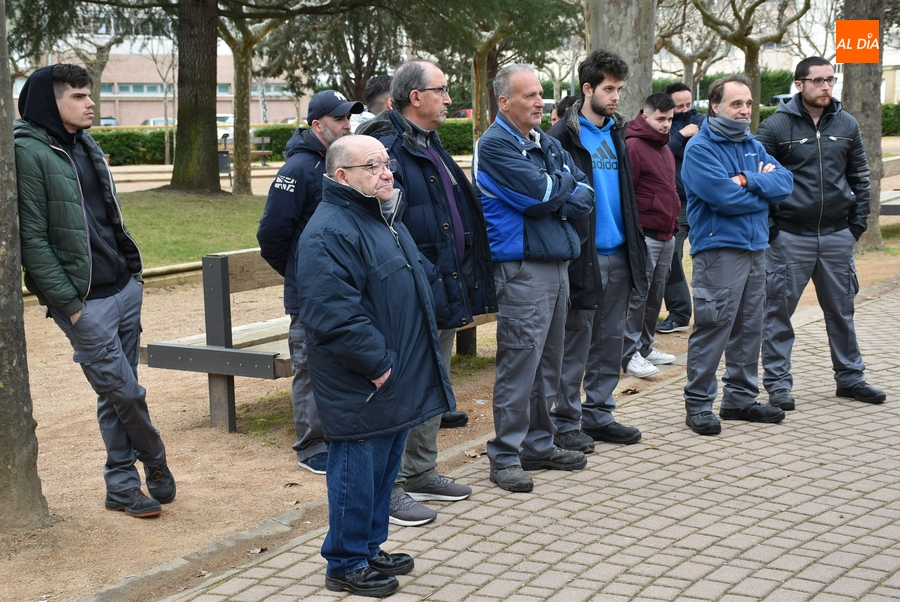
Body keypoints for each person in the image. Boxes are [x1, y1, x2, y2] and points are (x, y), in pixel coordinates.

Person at [296, 135, 455, 597]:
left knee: (385, 470)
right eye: (374, 166)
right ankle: (345, 563)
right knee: (356, 473)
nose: (388, 172)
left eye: (387, 164)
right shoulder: (330, 231)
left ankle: (366, 547)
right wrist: (379, 366)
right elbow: (333, 313)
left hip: (392, 371)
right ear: (342, 176)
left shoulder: (380, 217)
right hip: (365, 380)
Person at [15, 64, 175, 518]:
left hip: (123, 288)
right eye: (79, 96)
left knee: (115, 393)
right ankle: (155, 459)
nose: (91, 104)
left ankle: (121, 487)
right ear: (52, 101)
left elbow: (107, 217)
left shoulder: (85, 144)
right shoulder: (27, 152)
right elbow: (33, 239)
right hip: (84, 303)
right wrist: (68, 304)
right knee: (126, 393)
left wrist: (134, 279)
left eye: (90, 95)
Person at [358, 60, 496, 524]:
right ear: (414, 97)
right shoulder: (387, 148)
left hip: (441, 286)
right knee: (403, 390)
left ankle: (420, 471)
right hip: (409, 290)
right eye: (440, 89)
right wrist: (427, 270)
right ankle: (391, 487)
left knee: (434, 380)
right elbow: (382, 223)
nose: (448, 97)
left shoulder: (429, 143)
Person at [473, 64, 594, 493]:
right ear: (504, 102)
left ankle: (538, 445)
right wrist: (555, 193)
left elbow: (584, 193)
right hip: (522, 268)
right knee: (520, 364)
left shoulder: (542, 142)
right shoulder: (494, 146)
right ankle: (505, 455)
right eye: (529, 96)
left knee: (549, 363)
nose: (540, 102)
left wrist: (554, 193)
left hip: (557, 263)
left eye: (541, 94)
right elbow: (540, 195)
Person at [756, 57, 885, 409]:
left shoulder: (847, 123)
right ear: (800, 84)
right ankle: (778, 384)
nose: (826, 86)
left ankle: (851, 379)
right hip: (789, 238)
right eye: (818, 81)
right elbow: (759, 181)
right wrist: (773, 230)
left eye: (830, 79)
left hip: (837, 235)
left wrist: (856, 225)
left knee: (842, 310)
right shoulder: (775, 127)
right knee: (778, 313)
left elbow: (860, 176)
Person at [546, 48, 648, 453]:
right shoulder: (560, 138)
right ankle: (566, 421)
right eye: (609, 88)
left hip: (621, 252)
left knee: (610, 341)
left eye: (620, 89)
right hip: (581, 256)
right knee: (576, 342)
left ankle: (600, 414)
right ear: (587, 89)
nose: (616, 96)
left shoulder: (618, 132)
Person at [257, 89, 363, 474]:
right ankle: (311, 444)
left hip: (348, 288)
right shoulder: (297, 170)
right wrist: (300, 272)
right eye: (339, 119)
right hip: (310, 296)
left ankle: (338, 433)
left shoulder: (344, 163)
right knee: (310, 365)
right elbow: (271, 235)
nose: (347, 125)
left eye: (349, 118)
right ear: (317, 125)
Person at [681, 75, 794, 436]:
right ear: (715, 106)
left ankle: (740, 400)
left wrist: (746, 180)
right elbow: (723, 200)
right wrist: (761, 189)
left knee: (750, 326)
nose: (745, 110)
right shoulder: (700, 148)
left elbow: (785, 184)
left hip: (756, 248)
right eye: (736, 104)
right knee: (714, 327)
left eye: (747, 103)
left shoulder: (753, 145)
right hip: (718, 252)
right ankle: (699, 405)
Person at [621, 93, 680, 379]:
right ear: (645, 116)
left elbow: (669, 188)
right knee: (637, 297)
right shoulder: (633, 146)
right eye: (661, 119)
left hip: (667, 235)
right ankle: (628, 352)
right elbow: (626, 195)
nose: (667, 125)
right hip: (645, 235)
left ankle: (644, 346)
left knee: (654, 296)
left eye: (670, 119)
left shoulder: (665, 147)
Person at [658, 82, 707, 334]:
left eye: (689, 104)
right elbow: (658, 153)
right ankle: (679, 314)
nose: (686, 109)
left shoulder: (705, 122)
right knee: (670, 259)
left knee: (710, 257)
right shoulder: (663, 124)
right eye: (680, 106)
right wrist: (680, 135)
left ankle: (713, 314)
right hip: (675, 203)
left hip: (703, 201)